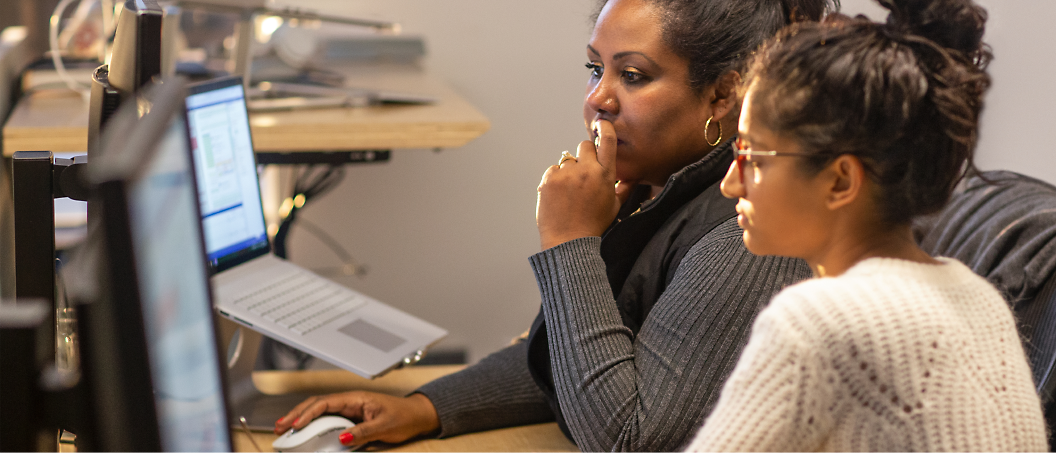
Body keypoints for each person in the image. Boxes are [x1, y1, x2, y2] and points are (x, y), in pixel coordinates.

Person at [275, 0, 833, 451]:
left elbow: (627, 438)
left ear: (722, 94)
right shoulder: (662, 185)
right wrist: (427, 407)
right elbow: (582, 358)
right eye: (596, 69)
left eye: (632, 75)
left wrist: (570, 243)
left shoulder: (746, 231)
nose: (597, 99)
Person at [683, 0, 1048, 451]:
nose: (730, 183)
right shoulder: (983, 302)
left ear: (840, 180)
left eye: (753, 157)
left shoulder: (815, 323)